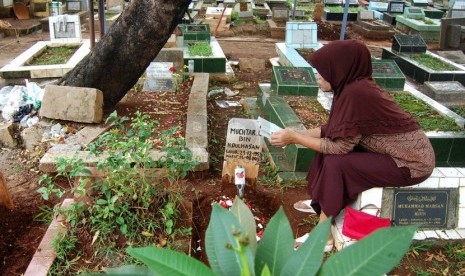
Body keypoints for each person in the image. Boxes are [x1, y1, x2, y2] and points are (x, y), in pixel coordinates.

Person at [269, 39, 435, 251]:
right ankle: (320, 203)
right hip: (395, 156)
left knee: (336, 162)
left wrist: (295, 138)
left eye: (323, 71)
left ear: (339, 69)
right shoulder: (351, 87)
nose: (317, 76)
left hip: (410, 164)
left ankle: (324, 237)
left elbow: (339, 147)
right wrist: (294, 134)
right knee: (326, 148)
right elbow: (333, 130)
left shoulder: (357, 93)